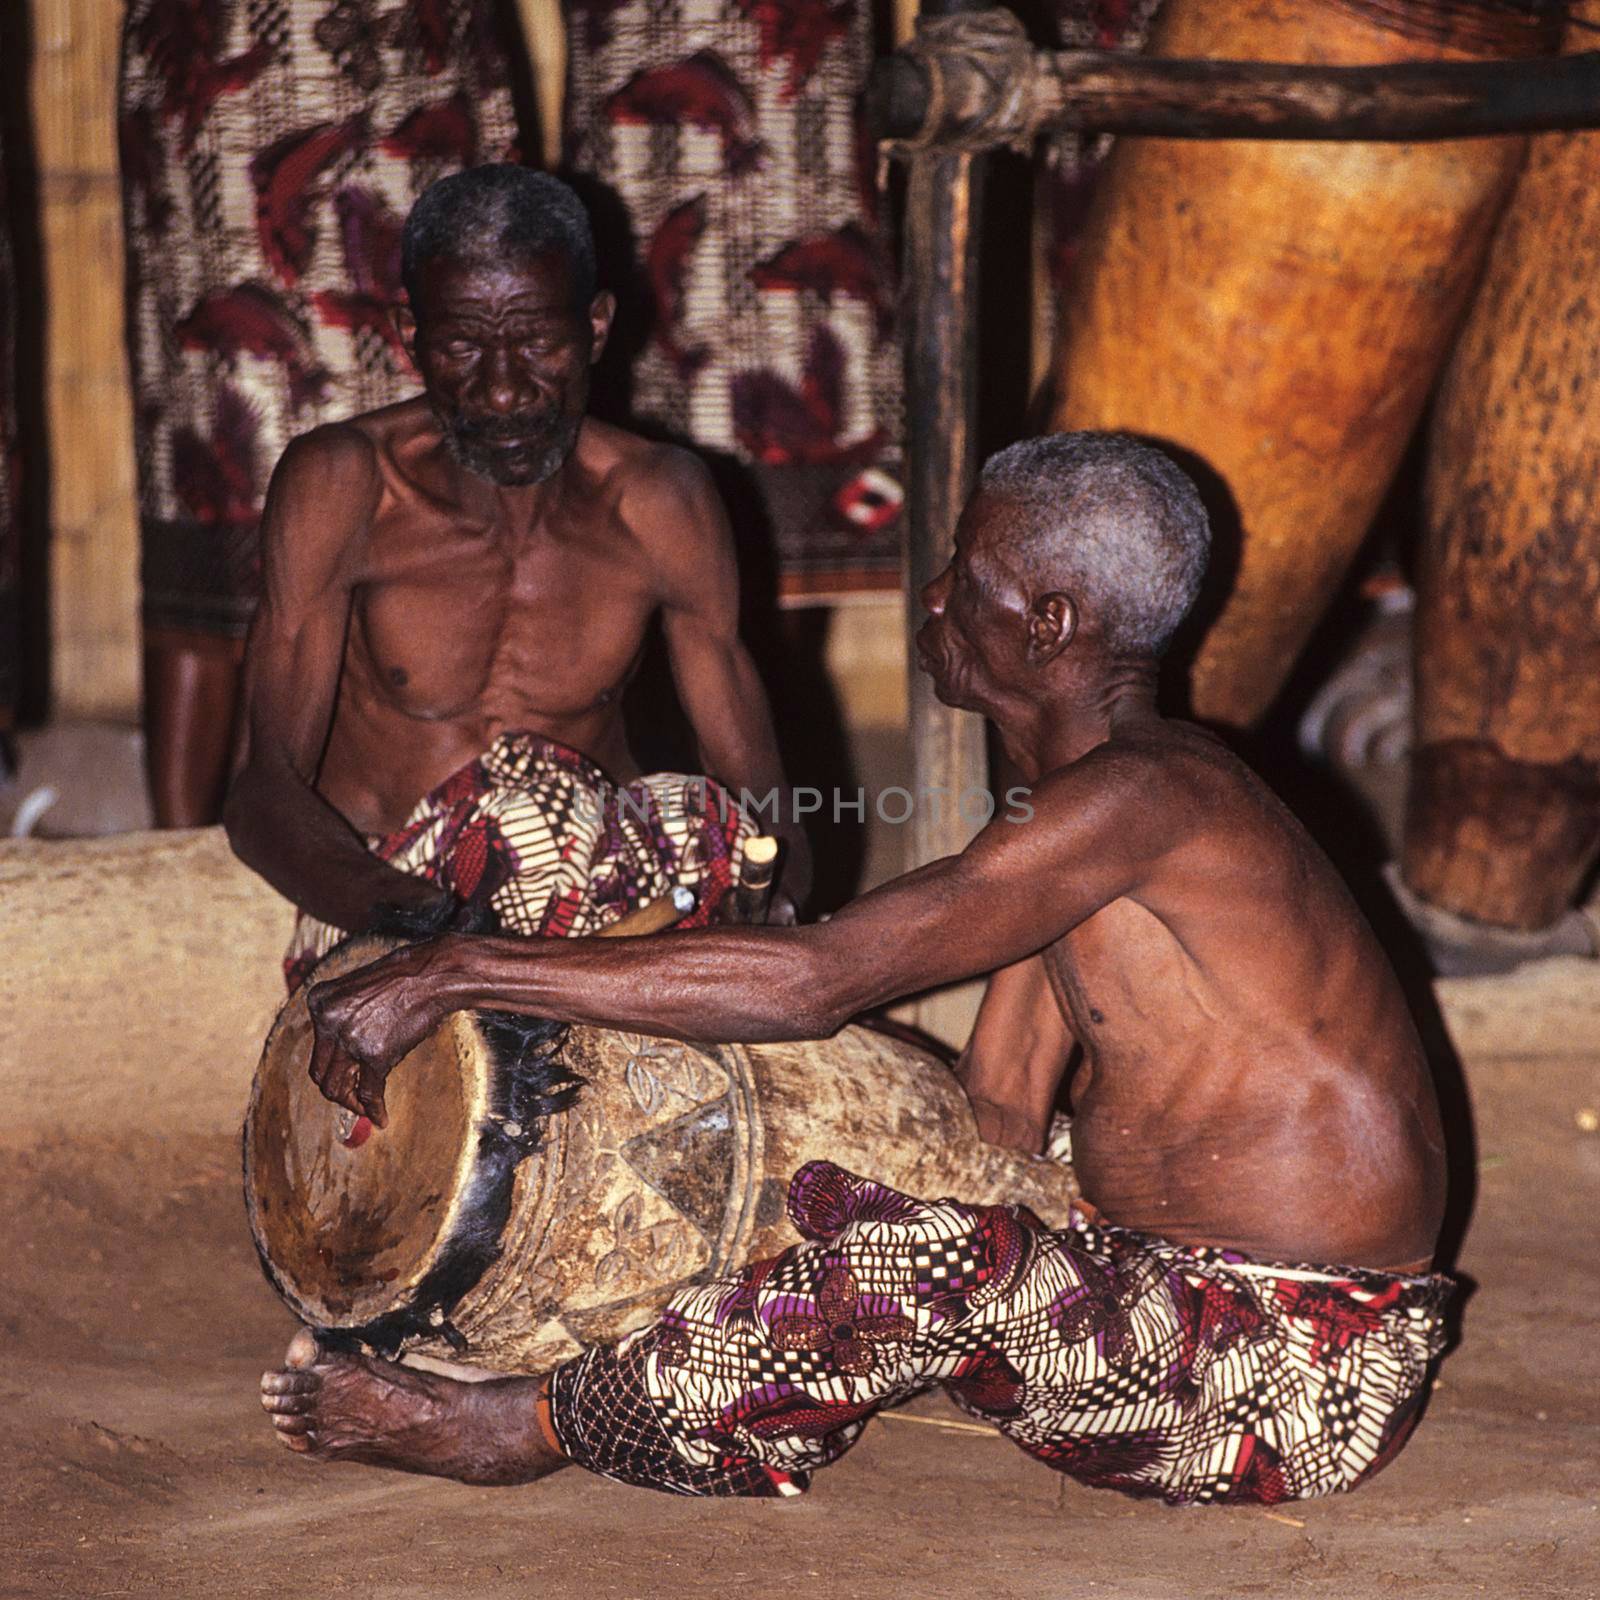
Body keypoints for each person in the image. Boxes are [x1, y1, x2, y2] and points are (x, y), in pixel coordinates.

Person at [260, 433, 1451, 1506]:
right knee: (825, 1176)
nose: (931, 597)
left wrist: (463, 968)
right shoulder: (1078, 813)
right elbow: (998, 1100)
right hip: (1131, 1267)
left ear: (1048, 623)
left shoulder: (1142, 797)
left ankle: (524, 1426)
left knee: (918, 1260)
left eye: (963, 576)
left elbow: (814, 982)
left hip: (1294, 1361)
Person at [222, 166, 810, 990]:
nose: (502, 391)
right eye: (462, 345)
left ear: (597, 329)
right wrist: (413, 918)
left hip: (597, 915)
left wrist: (768, 901)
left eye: (538, 342)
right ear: (408, 337)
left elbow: (761, 797)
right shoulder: (345, 487)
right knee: (527, 829)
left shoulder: (658, 502)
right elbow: (260, 796)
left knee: (690, 818)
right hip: (391, 906)